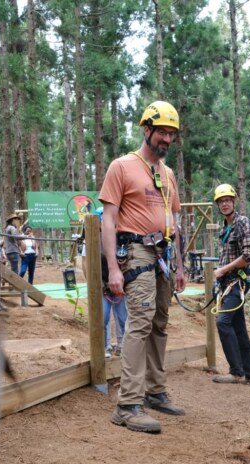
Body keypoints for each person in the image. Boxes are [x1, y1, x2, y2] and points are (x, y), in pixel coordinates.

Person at [99, 100, 187, 433]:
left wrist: (179, 266)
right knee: (140, 320)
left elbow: (173, 221)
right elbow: (108, 219)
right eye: (162, 131)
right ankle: (127, 404)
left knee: (160, 322)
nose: (167, 139)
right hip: (134, 250)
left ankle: (155, 391)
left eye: (172, 134)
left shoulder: (168, 174)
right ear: (146, 129)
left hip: (163, 253)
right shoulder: (122, 166)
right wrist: (113, 268)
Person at [210, 184, 250, 385]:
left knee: (223, 322)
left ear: (234, 201)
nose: (224, 204)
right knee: (238, 326)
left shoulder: (242, 223)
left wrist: (223, 270)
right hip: (227, 282)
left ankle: (236, 371)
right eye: (221, 201)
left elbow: (249, 255)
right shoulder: (224, 228)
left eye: (228, 200)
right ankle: (249, 374)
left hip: (237, 281)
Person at [83, 207, 128, 358]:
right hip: (102, 284)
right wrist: (92, 283)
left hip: (121, 285)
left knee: (123, 317)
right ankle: (105, 347)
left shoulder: (121, 239)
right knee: (103, 317)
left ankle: (122, 346)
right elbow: (85, 262)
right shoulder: (91, 240)